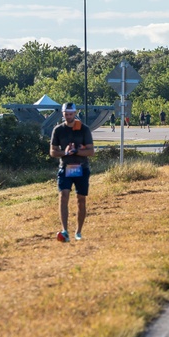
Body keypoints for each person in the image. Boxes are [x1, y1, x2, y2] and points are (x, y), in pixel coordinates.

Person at [49, 102, 95, 242]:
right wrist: (65, 152)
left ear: (75, 113)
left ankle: (78, 232)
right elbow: (52, 152)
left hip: (81, 168)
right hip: (65, 168)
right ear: (62, 113)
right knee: (64, 196)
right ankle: (64, 231)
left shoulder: (83, 129)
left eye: (71, 114)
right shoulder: (58, 130)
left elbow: (91, 151)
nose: (68, 116)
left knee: (81, 200)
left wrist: (78, 151)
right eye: (66, 114)